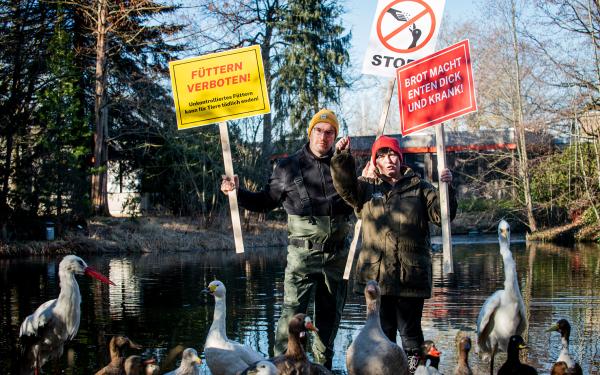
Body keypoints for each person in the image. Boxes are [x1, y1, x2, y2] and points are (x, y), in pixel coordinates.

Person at [220, 109, 353, 369]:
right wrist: (237, 192)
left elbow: (357, 201)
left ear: (335, 136)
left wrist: (359, 174)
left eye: (329, 132)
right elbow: (264, 201)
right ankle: (280, 368)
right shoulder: (287, 167)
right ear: (310, 132)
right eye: (318, 130)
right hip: (302, 257)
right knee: (291, 317)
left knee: (329, 320)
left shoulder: (342, 166)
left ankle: (323, 368)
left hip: (336, 258)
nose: (323, 137)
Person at [330, 135, 456, 373]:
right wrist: (342, 158)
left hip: (411, 278)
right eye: (382, 156)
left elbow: (443, 215)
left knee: (411, 338)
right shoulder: (365, 188)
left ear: (400, 158)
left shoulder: (420, 187)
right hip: (377, 281)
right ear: (375, 161)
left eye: (392, 155)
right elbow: (344, 185)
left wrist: (446, 187)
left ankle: (412, 371)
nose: (388, 160)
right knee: (382, 338)